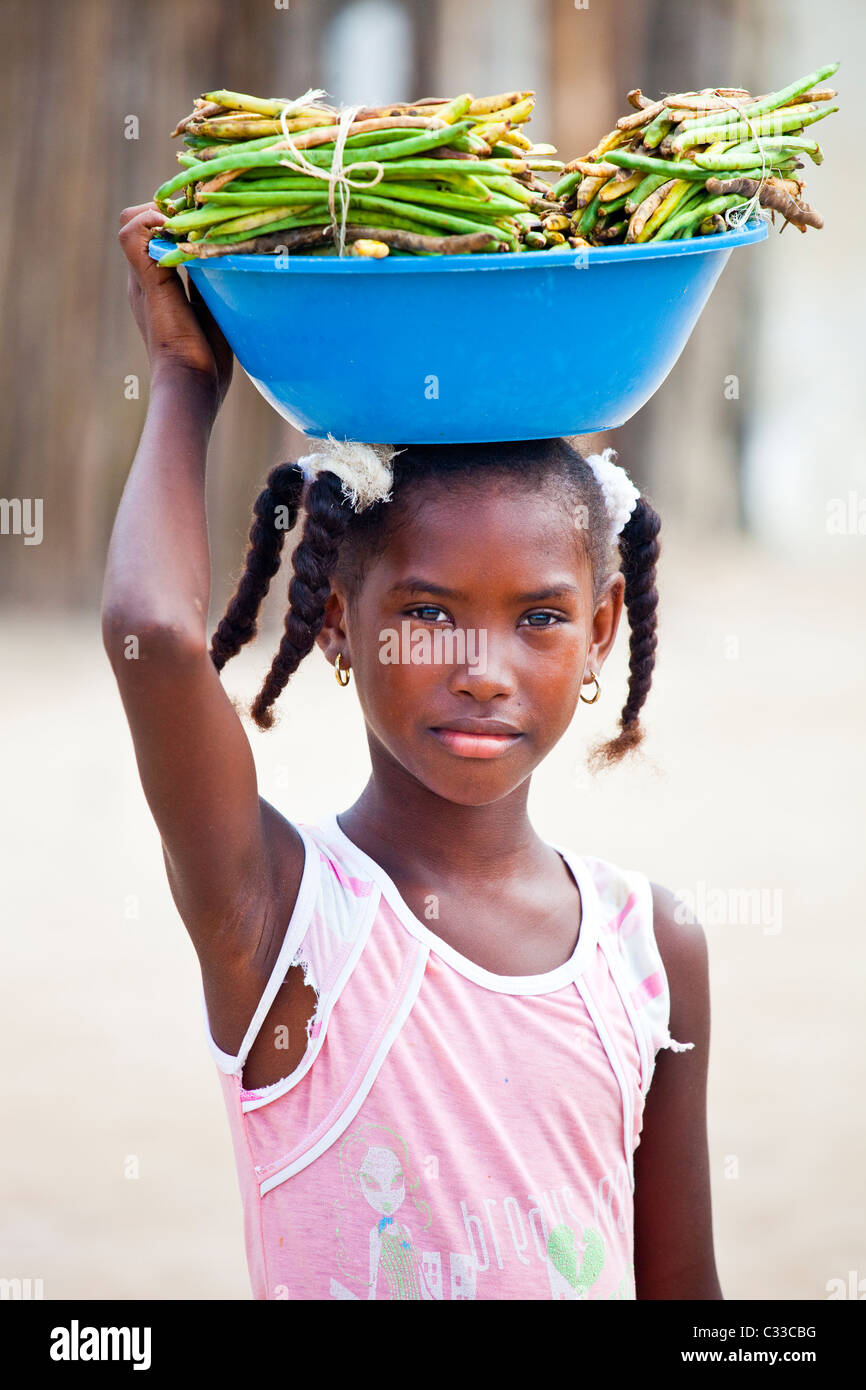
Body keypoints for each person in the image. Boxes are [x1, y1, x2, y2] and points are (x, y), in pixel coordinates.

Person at [104, 202, 722, 1302]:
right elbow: (153, 631)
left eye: (537, 617)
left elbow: (685, 1294)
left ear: (599, 628)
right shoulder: (281, 915)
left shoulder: (650, 947)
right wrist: (184, 381)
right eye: (429, 612)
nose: (482, 665)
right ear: (337, 622)